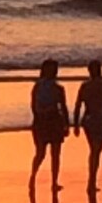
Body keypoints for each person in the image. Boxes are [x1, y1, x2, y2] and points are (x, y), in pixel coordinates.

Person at [73, 60, 102, 193]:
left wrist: (76, 124)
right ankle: (91, 180)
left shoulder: (85, 86)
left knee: (94, 150)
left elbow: (78, 106)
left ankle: (92, 179)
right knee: (96, 151)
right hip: (101, 120)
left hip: (88, 120)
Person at [29, 59, 70, 194]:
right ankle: (37, 178)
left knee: (49, 153)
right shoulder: (51, 88)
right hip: (47, 121)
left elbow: (62, 107)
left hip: (47, 121)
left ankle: (49, 181)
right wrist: (66, 124)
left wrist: (66, 123)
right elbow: (62, 108)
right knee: (46, 153)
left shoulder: (43, 87)